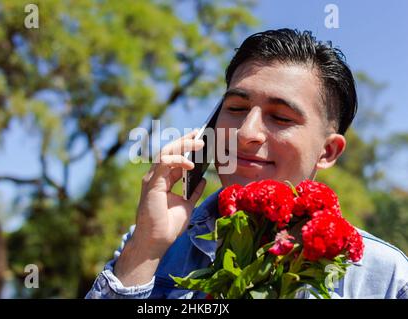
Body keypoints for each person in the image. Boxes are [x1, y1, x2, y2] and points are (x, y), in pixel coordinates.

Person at [86, 29, 408, 299]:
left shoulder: (386, 278)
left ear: (328, 152)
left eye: (280, 117)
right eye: (236, 108)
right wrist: (145, 250)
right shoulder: (150, 242)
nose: (246, 133)